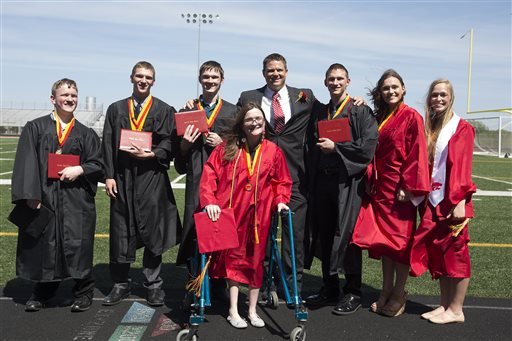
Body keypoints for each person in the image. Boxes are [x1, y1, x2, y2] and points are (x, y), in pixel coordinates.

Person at [11, 78, 103, 312]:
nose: (70, 99)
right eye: (65, 95)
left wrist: (80, 169)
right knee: (45, 244)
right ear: (53, 99)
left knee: (78, 244)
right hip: (46, 196)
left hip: (76, 199)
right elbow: (26, 162)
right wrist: (31, 194)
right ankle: (43, 292)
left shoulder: (86, 133)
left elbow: (98, 163)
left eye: (73, 96)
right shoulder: (36, 127)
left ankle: (83, 292)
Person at [199, 102, 292, 328]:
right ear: (242, 124)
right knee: (234, 260)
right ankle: (233, 310)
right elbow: (209, 175)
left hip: (259, 217)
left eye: (258, 118)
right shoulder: (227, 148)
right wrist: (210, 202)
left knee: (256, 261)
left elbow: (282, 181)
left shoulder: (273, 150)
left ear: (264, 122)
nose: (254, 122)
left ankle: (251, 310)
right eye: (249, 119)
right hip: (232, 214)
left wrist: (280, 202)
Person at [102, 61, 181, 307]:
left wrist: (154, 154)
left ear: (153, 81)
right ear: (131, 78)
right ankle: (120, 284)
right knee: (121, 231)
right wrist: (109, 175)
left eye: (147, 77)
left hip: (151, 177)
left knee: (153, 232)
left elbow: (170, 141)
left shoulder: (164, 109)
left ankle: (153, 285)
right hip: (123, 177)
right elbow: (107, 142)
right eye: (139, 76)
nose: (143, 80)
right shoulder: (116, 109)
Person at [351, 69, 430, 317]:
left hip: (400, 191)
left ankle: (399, 293)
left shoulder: (411, 117)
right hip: (380, 188)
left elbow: (417, 153)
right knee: (384, 243)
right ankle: (385, 291)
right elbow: (370, 147)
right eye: (386, 88)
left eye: (395, 87)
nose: (391, 91)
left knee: (401, 244)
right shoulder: (379, 116)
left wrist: (408, 186)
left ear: (403, 89)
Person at [236, 53, 315, 295]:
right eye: (271, 70)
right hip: (260, 177)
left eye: (279, 69)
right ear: (263, 73)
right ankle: (262, 283)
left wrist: (356, 102)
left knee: (294, 236)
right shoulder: (249, 97)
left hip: (295, 177)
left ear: (287, 71)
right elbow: (234, 123)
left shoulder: (306, 96)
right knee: (261, 235)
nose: (275, 74)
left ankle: (292, 286)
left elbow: (330, 112)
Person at [304, 64, 378, 315]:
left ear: (348, 81)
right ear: (325, 82)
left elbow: (367, 147)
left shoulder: (360, 111)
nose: (335, 83)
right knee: (324, 233)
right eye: (331, 79)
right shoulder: (320, 110)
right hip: (322, 182)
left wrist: (337, 148)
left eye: (340, 79)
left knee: (346, 234)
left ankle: (353, 291)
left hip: (347, 182)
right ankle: (330, 287)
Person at [410, 79, 476, 324]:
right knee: (439, 253)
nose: (438, 99)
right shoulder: (433, 126)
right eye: (434, 95)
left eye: (443, 95)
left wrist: (460, 200)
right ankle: (445, 305)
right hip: (433, 200)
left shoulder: (461, 128)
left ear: (451, 98)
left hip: (453, 201)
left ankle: (456, 309)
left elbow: (463, 167)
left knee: (456, 253)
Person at [175, 61, 237, 301]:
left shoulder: (233, 111)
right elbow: (178, 153)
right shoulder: (188, 110)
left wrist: (223, 144)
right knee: (194, 229)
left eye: (215, 77)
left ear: (222, 80)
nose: (210, 81)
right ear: (200, 79)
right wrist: (185, 144)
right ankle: (194, 282)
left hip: (224, 180)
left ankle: (219, 282)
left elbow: (242, 149)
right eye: (206, 76)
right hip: (196, 177)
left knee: (221, 228)